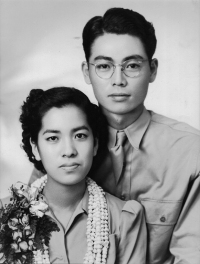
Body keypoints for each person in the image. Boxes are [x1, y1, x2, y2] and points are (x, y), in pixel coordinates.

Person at [29, 7, 200, 264]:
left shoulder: (190, 151)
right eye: (104, 66)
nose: (118, 80)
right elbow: (33, 234)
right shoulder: (62, 145)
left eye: (131, 65)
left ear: (152, 69)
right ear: (87, 71)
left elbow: (192, 255)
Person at [0, 87, 147, 264]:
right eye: (53, 138)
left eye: (80, 135)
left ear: (95, 144)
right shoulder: (5, 215)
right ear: (35, 148)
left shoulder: (124, 218)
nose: (69, 151)